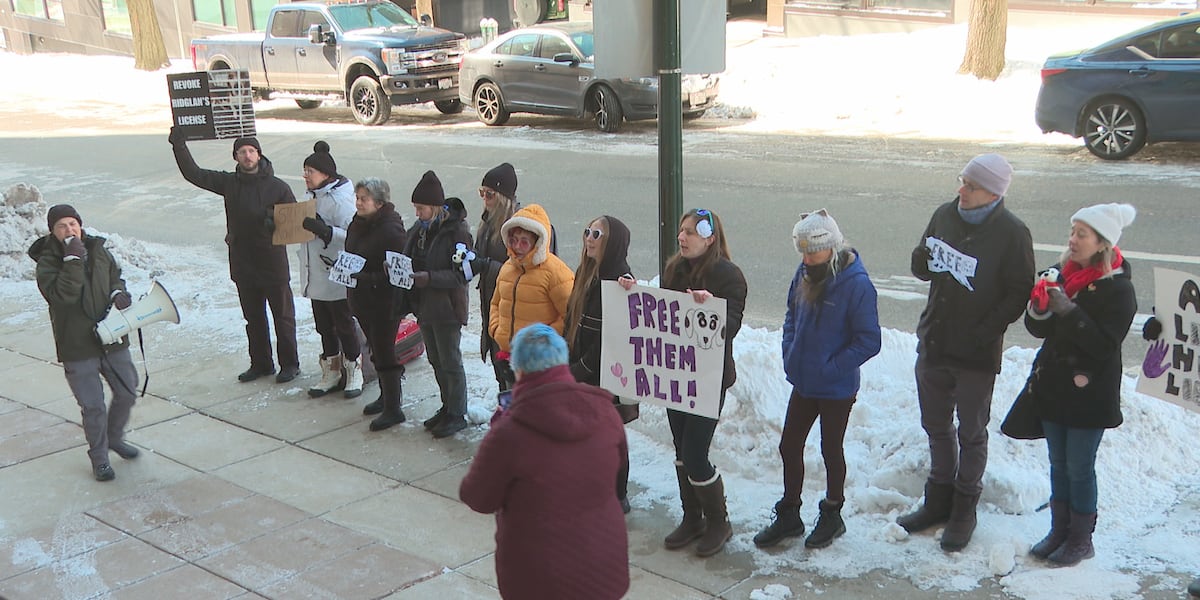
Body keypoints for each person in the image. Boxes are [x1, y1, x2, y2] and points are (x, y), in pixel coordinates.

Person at [899, 153, 1035, 552]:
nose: (962, 190)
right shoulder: (945, 214)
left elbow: (1019, 291)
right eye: (962, 181)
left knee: (971, 432)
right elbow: (922, 265)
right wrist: (921, 260)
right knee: (935, 424)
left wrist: (985, 330)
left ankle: (964, 509)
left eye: (971, 185)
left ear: (993, 192)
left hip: (976, 352)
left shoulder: (1012, 232)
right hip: (936, 341)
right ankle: (937, 501)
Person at [460, 324, 629, 600]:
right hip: (604, 564)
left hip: (540, 576)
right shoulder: (605, 412)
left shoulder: (509, 431)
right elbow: (618, 464)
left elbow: (478, 497)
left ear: (520, 370)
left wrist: (496, 431)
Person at [753, 210, 881, 550]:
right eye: (803, 251)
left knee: (830, 448)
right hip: (805, 380)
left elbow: (869, 340)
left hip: (836, 387)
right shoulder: (805, 271)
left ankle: (832, 513)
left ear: (832, 247)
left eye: (813, 251)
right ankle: (790, 514)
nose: (807, 258)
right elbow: (792, 313)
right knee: (789, 445)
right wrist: (789, 350)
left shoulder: (856, 285)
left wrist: (830, 366)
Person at [1023, 203, 1136, 566]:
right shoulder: (1062, 274)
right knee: (1057, 463)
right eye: (1072, 232)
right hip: (1056, 387)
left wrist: (1068, 311)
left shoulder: (1118, 288)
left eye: (1082, 234)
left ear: (1102, 243)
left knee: (1079, 466)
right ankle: (1059, 529)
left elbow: (1105, 345)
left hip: (1090, 394)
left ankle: (1080, 538)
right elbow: (1038, 330)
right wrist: (1040, 305)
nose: (1072, 240)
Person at [169, 129, 300, 383]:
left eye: (252, 151)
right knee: (253, 319)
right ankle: (261, 364)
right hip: (243, 263)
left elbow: (296, 225)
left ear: (259, 155)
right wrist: (179, 146)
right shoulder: (229, 183)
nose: (248, 156)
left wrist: (275, 222)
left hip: (273, 264)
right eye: (242, 152)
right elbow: (194, 174)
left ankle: (290, 365)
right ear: (236, 157)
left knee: (283, 317)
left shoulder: (278, 187)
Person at [659, 208, 747, 557]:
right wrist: (631, 292)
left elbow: (733, 325)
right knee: (681, 451)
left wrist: (712, 310)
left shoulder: (729, 276)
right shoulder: (674, 269)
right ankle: (691, 516)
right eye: (681, 230)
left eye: (691, 232)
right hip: (675, 374)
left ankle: (718, 521)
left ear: (710, 238)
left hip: (708, 378)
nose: (682, 237)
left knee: (696, 454)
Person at [29, 205, 140, 481]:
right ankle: (100, 458)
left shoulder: (99, 250)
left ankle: (114, 437)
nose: (69, 230)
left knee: (127, 391)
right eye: (62, 226)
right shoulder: (47, 263)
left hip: (111, 336)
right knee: (93, 406)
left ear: (80, 224)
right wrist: (72, 261)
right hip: (77, 345)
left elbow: (115, 276)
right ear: (52, 232)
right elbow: (62, 297)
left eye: (73, 224)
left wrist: (118, 293)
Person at [564, 215, 636, 513]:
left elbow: (610, 337)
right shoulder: (586, 271)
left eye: (597, 234)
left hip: (604, 375)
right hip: (580, 367)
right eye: (587, 232)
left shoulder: (620, 279)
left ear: (613, 242)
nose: (589, 238)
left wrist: (579, 369)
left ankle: (617, 495)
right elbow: (573, 319)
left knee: (609, 436)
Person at [470, 163, 558, 393]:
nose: (485, 199)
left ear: (503, 197)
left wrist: (487, 265)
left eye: (490, 194)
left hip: (523, 318)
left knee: (525, 386)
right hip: (496, 308)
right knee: (503, 378)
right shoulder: (488, 223)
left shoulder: (523, 228)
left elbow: (536, 270)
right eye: (482, 193)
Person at [403, 170, 473, 439]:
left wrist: (429, 278)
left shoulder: (457, 232)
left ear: (434, 207)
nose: (418, 213)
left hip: (446, 308)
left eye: (421, 208)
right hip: (424, 306)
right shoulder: (420, 230)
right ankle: (447, 406)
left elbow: (461, 274)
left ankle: (458, 413)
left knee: (451, 361)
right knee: (435, 359)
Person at [296, 141, 363, 399]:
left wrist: (326, 232)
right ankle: (331, 371)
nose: (305, 176)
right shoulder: (309, 197)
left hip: (336, 276)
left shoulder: (341, 201)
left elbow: (354, 237)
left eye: (310, 171)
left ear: (326, 175)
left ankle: (354, 369)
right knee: (323, 326)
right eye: (305, 171)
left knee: (344, 325)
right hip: (315, 275)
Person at [487, 203, 574, 391]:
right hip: (508, 358)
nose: (517, 246)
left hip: (540, 364)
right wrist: (496, 330)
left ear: (537, 243)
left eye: (524, 241)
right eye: (514, 240)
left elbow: (570, 314)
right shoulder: (507, 268)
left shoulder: (555, 272)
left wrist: (541, 342)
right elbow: (495, 302)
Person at [345, 178, 409, 431]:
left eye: (364, 199)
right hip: (362, 300)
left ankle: (394, 408)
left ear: (379, 203)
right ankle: (385, 397)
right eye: (357, 198)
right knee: (375, 350)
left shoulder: (391, 230)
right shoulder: (358, 223)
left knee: (385, 353)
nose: (358, 203)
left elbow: (397, 273)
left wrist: (365, 277)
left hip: (383, 303)